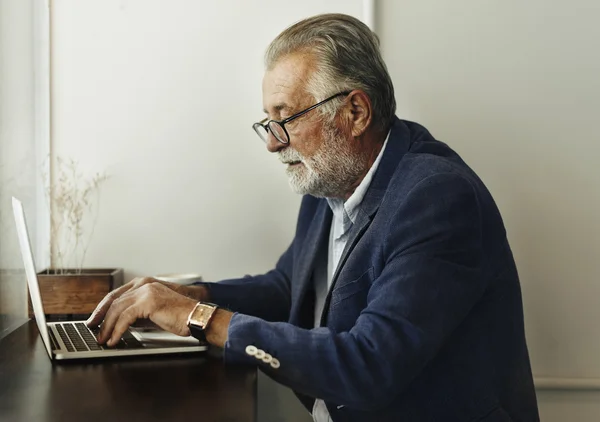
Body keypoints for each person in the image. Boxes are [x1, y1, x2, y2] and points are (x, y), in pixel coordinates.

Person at [87, 13, 540, 422]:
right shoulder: (328, 181)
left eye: (285, 117)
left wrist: (198, 318)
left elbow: (370, 365)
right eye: (268, 121)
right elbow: (290, 289)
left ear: (355, 112)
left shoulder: (436, 197)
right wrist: (183, 296)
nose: (272, 142)